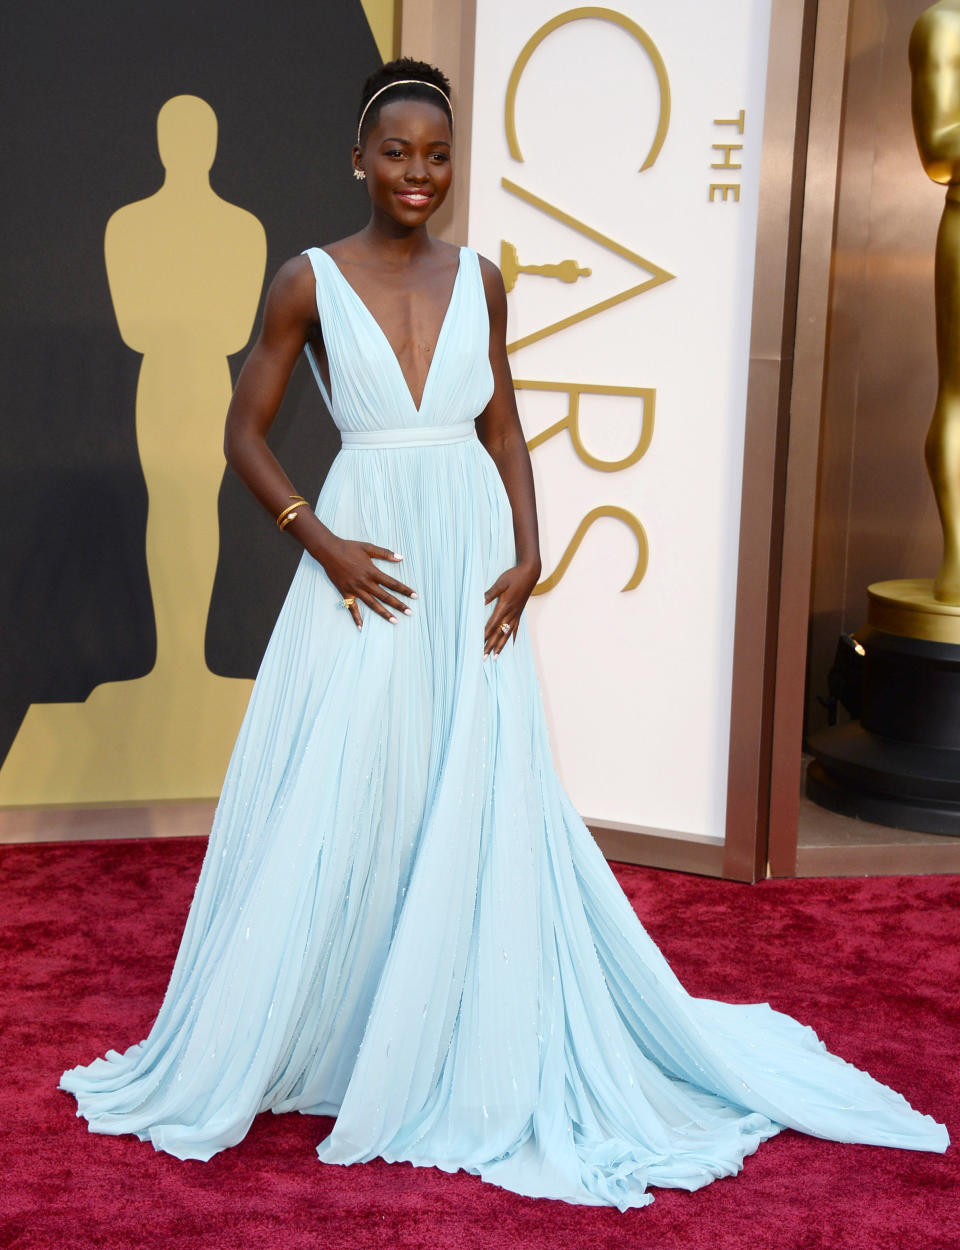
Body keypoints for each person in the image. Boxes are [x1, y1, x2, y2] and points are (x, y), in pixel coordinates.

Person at [59, 57, 949, 1211]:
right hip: (368, 558)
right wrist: (317, 540)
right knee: (347, 785)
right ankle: (336, 1021)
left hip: (473, 560)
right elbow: (243, 430)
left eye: (437, 155)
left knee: (467, 782)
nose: (418, 173)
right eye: (397, 152)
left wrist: (533, 548)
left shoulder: (483, 280)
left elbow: (507, 423)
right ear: (358, 159)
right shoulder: (304, 280)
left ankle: (444, 1017)